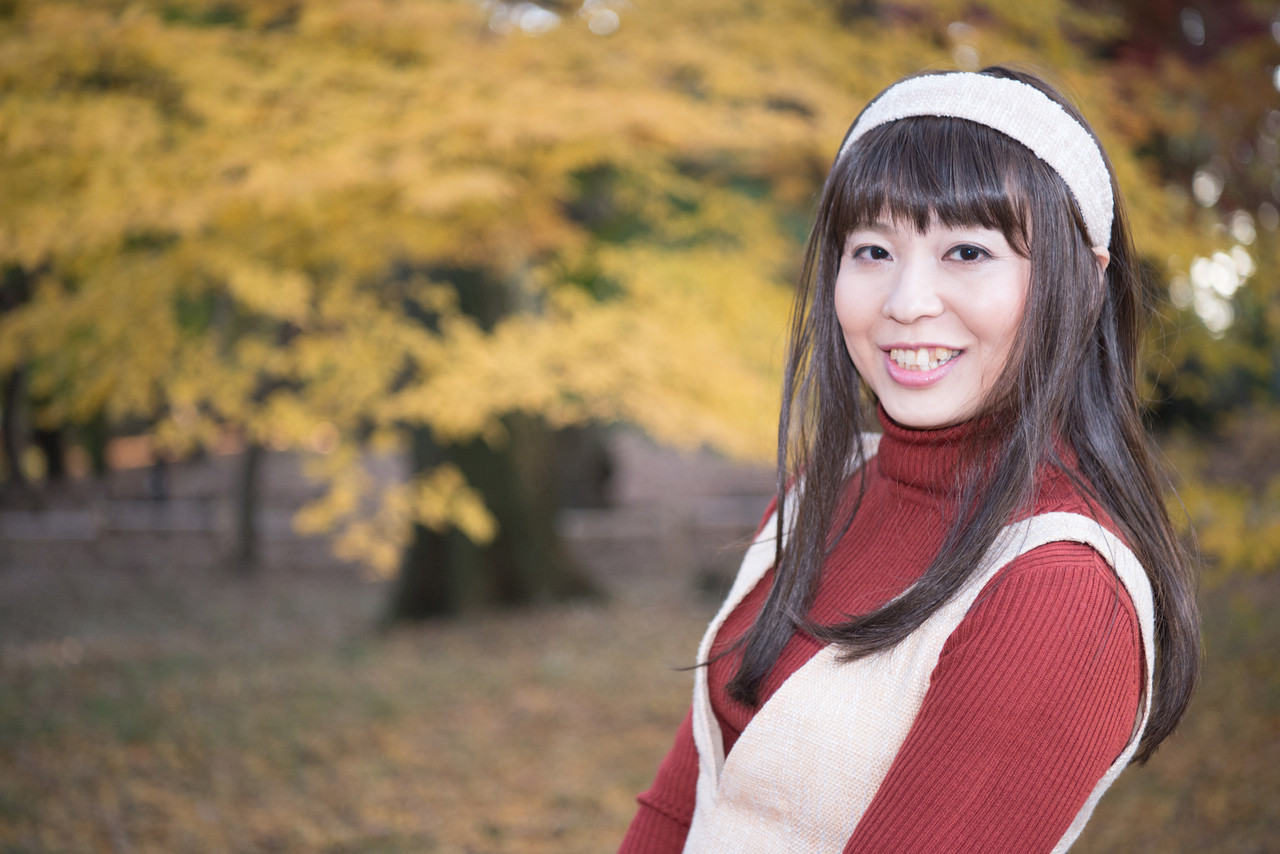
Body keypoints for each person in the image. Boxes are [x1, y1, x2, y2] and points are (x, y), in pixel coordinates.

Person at [618, 66, 1200, 853]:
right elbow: (679, 806)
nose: (905, 302)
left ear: (1085, 285)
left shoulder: (1061, 588)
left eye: (967, 250)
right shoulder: (824, 493)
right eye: (872, 250)